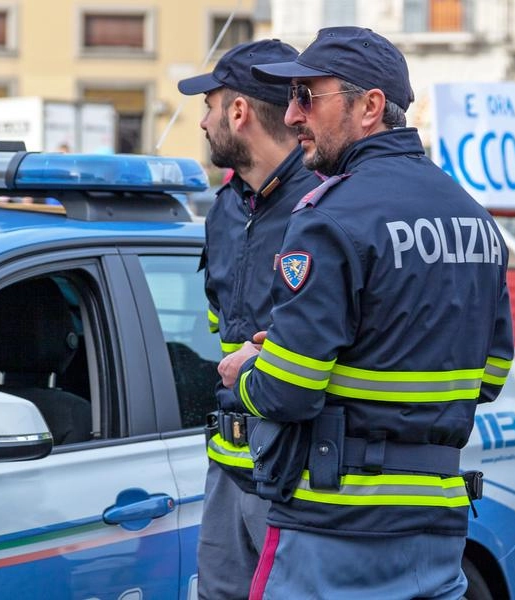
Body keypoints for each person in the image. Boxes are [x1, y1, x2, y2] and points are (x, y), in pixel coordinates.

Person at [217, 26, 514, 599]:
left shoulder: (329, 217)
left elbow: (288, 391)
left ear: (370, 107)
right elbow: (491, 375)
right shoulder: (474, 218)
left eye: (308, 96)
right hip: (438, 526)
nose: (294, 115)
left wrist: (245, 371)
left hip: (335, 529)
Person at [177, 39, 319, 600]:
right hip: (228, 466)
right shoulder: (226, 207)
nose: (204, 122)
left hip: (295, 474)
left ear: (238, 112)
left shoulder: (325, 206)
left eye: (209, 107)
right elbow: (223, 325)